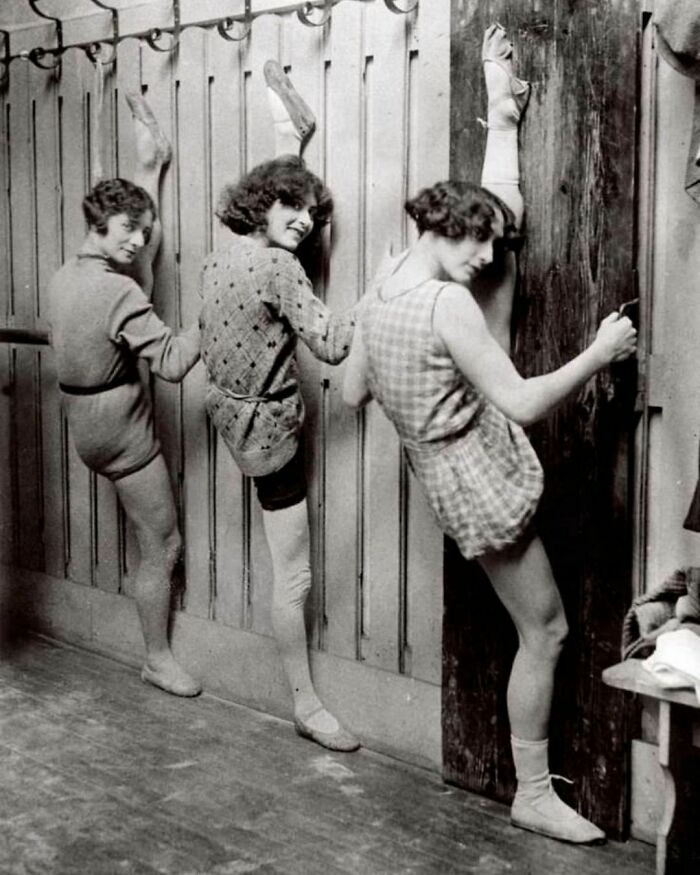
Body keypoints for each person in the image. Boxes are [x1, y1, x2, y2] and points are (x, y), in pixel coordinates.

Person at [342, 24, 637, 843]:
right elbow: (522, 401)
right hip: (476, 469)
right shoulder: (443, 304)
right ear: (439, 228)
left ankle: (499, 113)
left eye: (484, 240)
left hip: (437, 461)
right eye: (468, 242)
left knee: (501, 247)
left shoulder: (386, 280)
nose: (480, 255)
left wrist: (419, 388)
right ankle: (533, 791)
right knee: (545, 628)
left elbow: (350, 388)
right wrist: (600, 350)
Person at [198, 62, 360, 751]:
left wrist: (290, 172)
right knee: (292, 575)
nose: (305, 222)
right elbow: (331, 345)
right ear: (262, 205)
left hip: (231, 417)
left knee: (283, 569)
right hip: (271, 435)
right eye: (291, 209)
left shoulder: (222, 253)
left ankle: (286, 134)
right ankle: (305, 703)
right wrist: (377, 294)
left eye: (313, 214)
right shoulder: (279, 266)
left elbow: (273, 237)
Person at [48, 94, 201, 698]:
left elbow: (133, 268)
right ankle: (157, 659)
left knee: (139, 273)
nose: (137, 238)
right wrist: (212, 317)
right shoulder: (120, 295)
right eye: (127, 229)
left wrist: (142, 194)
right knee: (163, 544)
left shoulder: (69, 273)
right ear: (98, 226)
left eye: (143, 228)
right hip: (124, 436)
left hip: (85, 427)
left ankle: (150, 164)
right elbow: (171, 364)